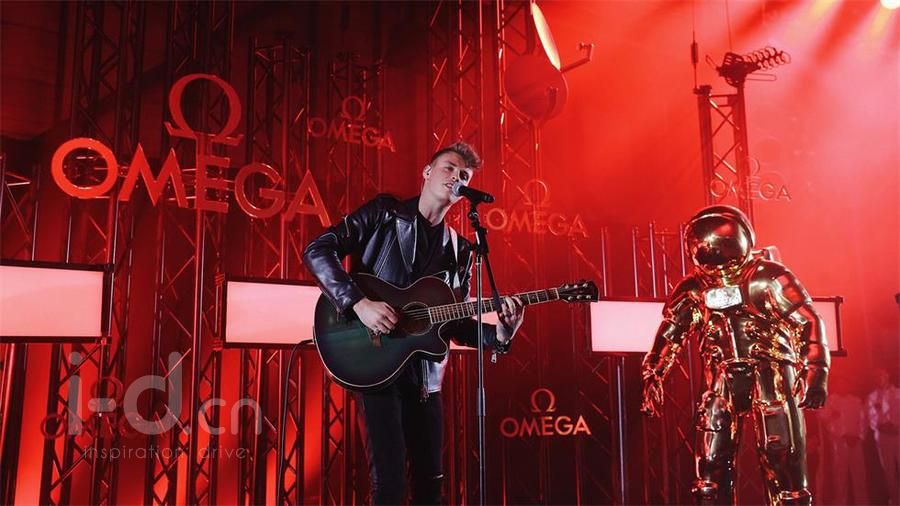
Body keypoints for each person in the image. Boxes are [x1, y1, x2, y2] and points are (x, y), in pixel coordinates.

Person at [303, 141, 525, 505]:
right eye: (449, 168)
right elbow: (318, 249)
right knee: (390, 485)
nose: (456, 177)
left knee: (430, 487)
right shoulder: (384, 213)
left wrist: (499, 335)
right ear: (427, 171)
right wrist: (359, 303)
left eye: (464, 175)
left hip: (425, 380)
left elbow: (453, 324)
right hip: (375, 363)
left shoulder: (460, 250)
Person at [640, 205, 830, 506]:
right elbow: (670, 333)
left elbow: (807, 321)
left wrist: (816, 371)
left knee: (782, 459)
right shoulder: (694, 288)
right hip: (721, 377)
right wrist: (654, 372)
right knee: (710, 465)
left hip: (770, 372)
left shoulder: (767, 277)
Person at [818, 379, 868, 504]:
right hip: (839, 444)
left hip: (855, 443)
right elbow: (823, 418)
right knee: (840, 477)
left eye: (845, 384)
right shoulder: (830, 401)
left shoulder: (856, 401)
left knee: (859, 476)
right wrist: (832, 417)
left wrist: (859, 437)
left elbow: (863, 421)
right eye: (840, 384)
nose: (843, 386)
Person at [867, 368, 900, 504]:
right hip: (883, 437)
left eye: (882, 375)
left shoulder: (898, 393)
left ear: (888, 375)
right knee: (889, 471)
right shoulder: (872, 397)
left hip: (898, 435)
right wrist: (883, 426)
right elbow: (871, 419)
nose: (880, 377)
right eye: (877, 375)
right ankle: (895, 500)